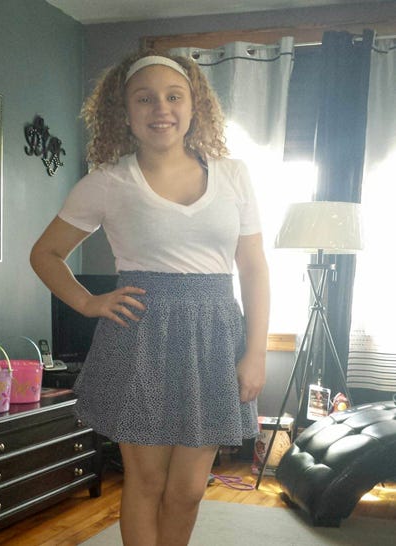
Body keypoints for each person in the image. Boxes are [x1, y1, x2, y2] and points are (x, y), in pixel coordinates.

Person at [30, 49, 270, 546]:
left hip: (213, 342)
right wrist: (90, 303)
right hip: (139, 339)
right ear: (124, 111)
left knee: (188, 490)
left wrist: (256, 352)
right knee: (146, 481)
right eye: (145, 98)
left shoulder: (233, 175)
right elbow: (45, 254)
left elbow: (253, 266)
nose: (161, 108)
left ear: (194, 105)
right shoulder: (107, 182)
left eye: (173, 96)